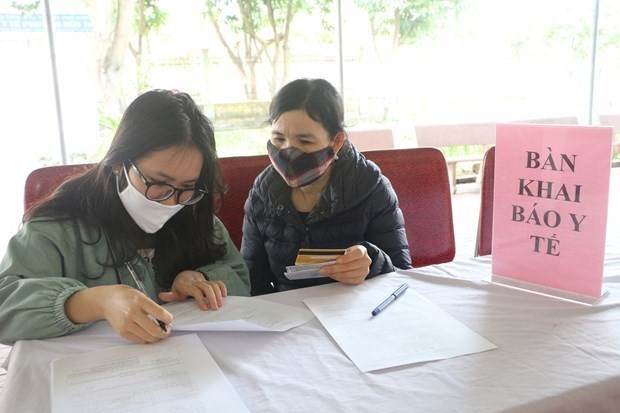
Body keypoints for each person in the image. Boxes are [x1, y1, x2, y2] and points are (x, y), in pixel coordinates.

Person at [0, 89, 250, 345]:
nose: (170, 201)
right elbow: (4, 304)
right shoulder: (59, 226)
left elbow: (240, 277)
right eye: (158, 183)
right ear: (119, 163)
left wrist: (201, 280)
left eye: (187, 187)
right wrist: (93, 302)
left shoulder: (194, 212)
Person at [241, 78, 412, 295]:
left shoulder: (371, 188)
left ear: (337, 142)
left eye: (305, 142)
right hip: (288, 315)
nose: (288, 152)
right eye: (278, 138)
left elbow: (403, 277)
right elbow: (252, 282)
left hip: (358, 310)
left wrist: (372, 262)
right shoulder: (262, 194)